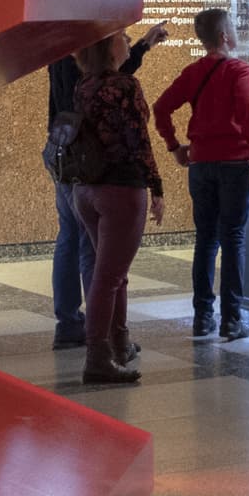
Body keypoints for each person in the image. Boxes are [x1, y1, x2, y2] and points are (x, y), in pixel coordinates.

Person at [44, 22, 163, 350]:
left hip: (64, 151)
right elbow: (114, 93)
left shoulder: (62, 44)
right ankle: (105, 334)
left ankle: (70, 323)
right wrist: (156, 187)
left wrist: (142, 46)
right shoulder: (104, 76)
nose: (125, 38)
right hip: (93, 164)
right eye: (120, 36)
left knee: (69, 237)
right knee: (94, 252)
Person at [152, 4, 249, 341]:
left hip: (200, 164)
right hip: (234, 163)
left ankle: (202, 317)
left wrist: (174, 146)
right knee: (233, 238)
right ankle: (232, 320)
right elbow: (248, 109)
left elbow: (161, 108)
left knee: (206, 239)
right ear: (224, 36)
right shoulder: (239, 70)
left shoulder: (193, 72)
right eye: (234, 28)